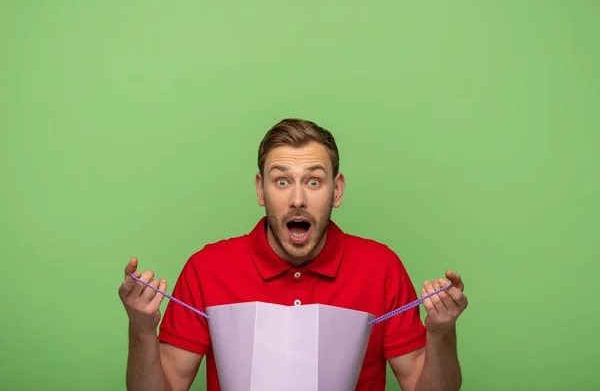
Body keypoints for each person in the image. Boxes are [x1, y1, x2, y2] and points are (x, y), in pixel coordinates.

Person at [118, 118, 469, 391]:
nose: (298, 199)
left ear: (337, 190)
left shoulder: (381, 268)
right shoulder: (207, 269)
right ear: (261, 189)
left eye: (314, 181)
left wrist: (441, 333)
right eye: (282, 181)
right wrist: (142, 330)